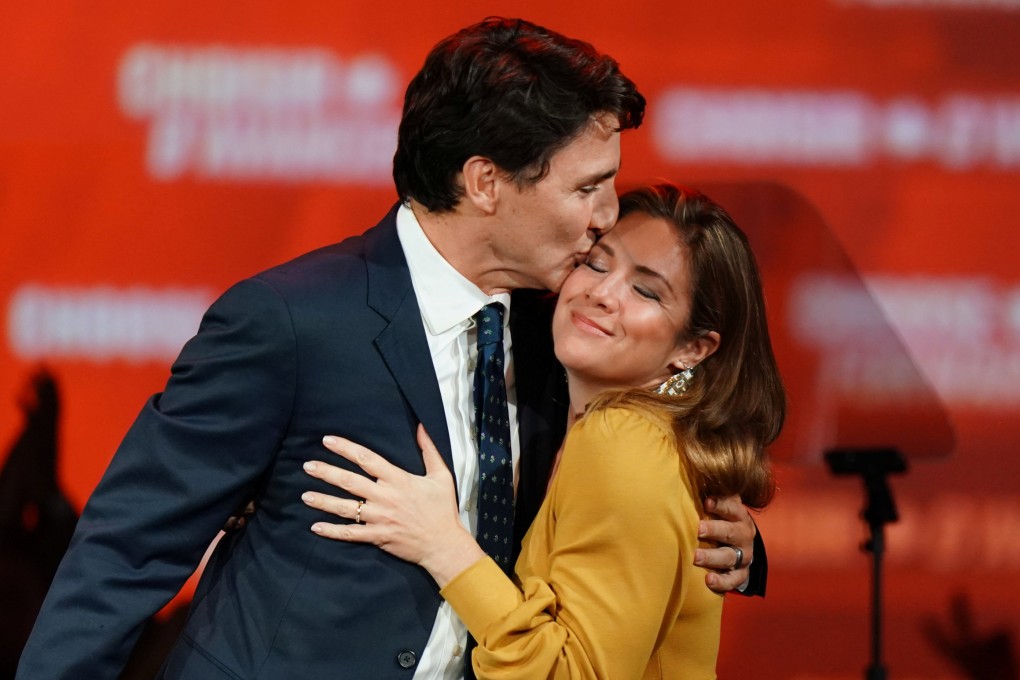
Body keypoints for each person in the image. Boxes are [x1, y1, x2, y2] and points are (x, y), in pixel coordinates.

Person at [16, 18, 760, 680]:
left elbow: (645, 464)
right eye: (588, 188)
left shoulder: (559, 331)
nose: (607, 218)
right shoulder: (293, 320)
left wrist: (735, 550)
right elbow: (127, 549)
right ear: (486, 183)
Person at [301, 183, 785, 678]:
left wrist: (443, 546)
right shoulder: (565, 384)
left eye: (646, 290)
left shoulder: (622, 441)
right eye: (596, 263)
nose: (601, 293)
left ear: (695, 349)